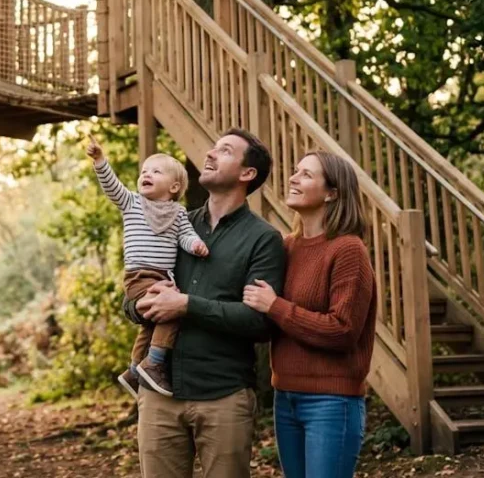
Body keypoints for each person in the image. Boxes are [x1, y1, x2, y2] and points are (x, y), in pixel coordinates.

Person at [129, 129, 286, 478]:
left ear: (247, 173)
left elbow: (260, 322)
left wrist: (188, 305)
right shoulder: (173, 221)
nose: (211, 154)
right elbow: (135, 290)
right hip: (158, 397)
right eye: (213, 148)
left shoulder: (264, 239)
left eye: (225, 151)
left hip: (223, 396)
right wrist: (138, 307)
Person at [241, 151, 376, 478]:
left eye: (306, 174)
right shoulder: (287, 246)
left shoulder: (348, 249)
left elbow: (343, 330)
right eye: (295, 171)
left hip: (331, 401)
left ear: (332, 193)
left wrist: (275, 306)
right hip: (286, 397)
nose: (293, 178)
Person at [85, 136, 209, 398]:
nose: (146, 174)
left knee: (152, 322)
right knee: (171, 311)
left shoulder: (178, 213)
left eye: (156, 171)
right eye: (144, 171)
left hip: (162, 276)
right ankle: (154, 362)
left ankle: (134, 370)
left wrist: (196, 245)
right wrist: (100, 160)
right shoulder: (132, 203)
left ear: (174, 186)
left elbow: (185, 236)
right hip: (138, 276)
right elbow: (112, 187)